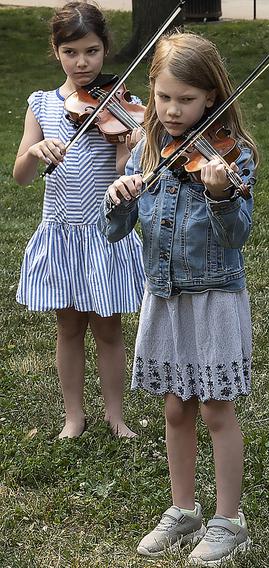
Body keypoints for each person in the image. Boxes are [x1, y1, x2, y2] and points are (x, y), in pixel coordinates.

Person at [99, 32, 256, 565]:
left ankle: (229, 519)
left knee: (215, 408)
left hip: (213, 297)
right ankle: (184, 508)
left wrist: (219, 195)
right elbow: (118, 229)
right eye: (164, 97)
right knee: (174, 406)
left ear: (211, 97)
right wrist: (118, 199)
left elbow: (237, 236)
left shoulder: (235, 156)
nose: (171, 110)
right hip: (163, 295)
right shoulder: (146, 151)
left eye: (185, 100)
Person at [12, 1, 144, 439]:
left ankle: (115, 415)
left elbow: (134, 176)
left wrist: (128, 151)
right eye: (71, 53)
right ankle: (74, 416)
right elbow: (21, 177)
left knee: (108, 327)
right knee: (68, 327)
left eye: (91, 51)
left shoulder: (124, 105)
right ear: (56, 52)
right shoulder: (42, 105)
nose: (82, 62)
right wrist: (35, 151)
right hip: (63, 233)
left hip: (105, 233)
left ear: (105, 48)